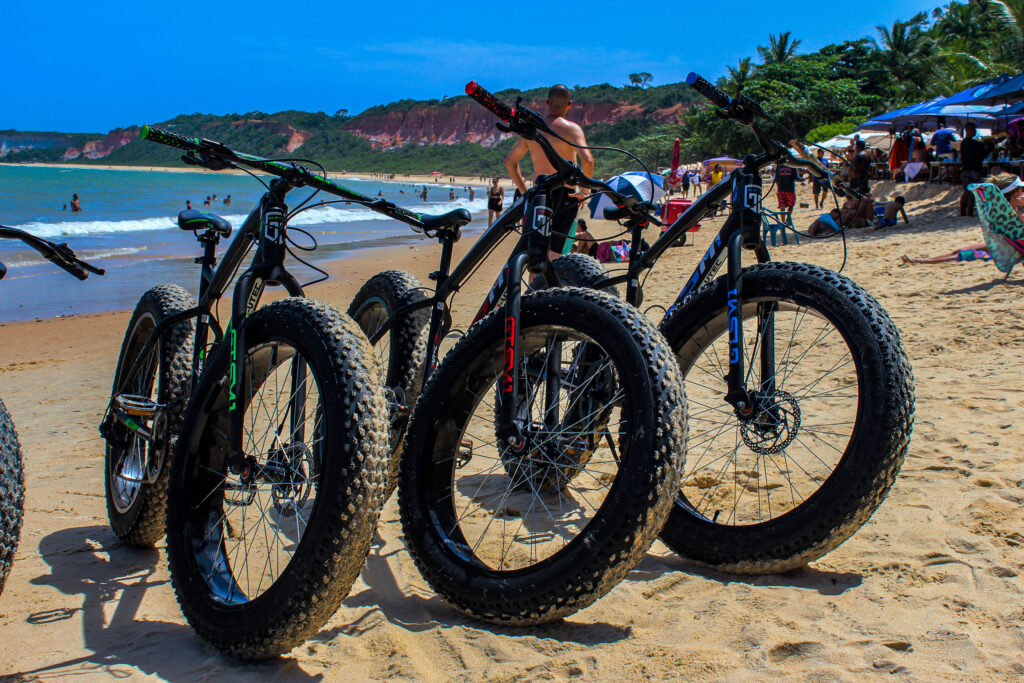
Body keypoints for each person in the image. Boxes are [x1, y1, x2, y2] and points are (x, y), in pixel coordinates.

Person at [504, 84, 594, 260]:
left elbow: (510, 162)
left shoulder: (533, 130)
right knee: (557, 253)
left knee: (536, 251)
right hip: (565, 195)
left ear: (547, 103)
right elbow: (588, 161)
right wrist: (584, 192)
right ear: (570, 104)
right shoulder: (571, 129)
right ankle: (552, 287)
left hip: (539, 195)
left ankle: (534, 287)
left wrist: (525, 192)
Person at [903, 173, 1024, 264]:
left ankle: (920, 260)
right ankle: (921, 260)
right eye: (1021, 190)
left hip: (1009, 245)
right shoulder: (1009, 212)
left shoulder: (1002, 211)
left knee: (964, 252)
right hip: (1010, 245)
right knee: (962, 252)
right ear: (1015, 193)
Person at [959, 122, 994, 216]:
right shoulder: (975, 143)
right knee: (973, 192)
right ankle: (969, 212)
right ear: (969, 130)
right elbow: (983, 154)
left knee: (966, 191)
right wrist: (991, 146)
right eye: (974, 130)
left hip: (965, 169)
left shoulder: (963, 143)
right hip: (975, 169)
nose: (975, 132)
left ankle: (962, 212)